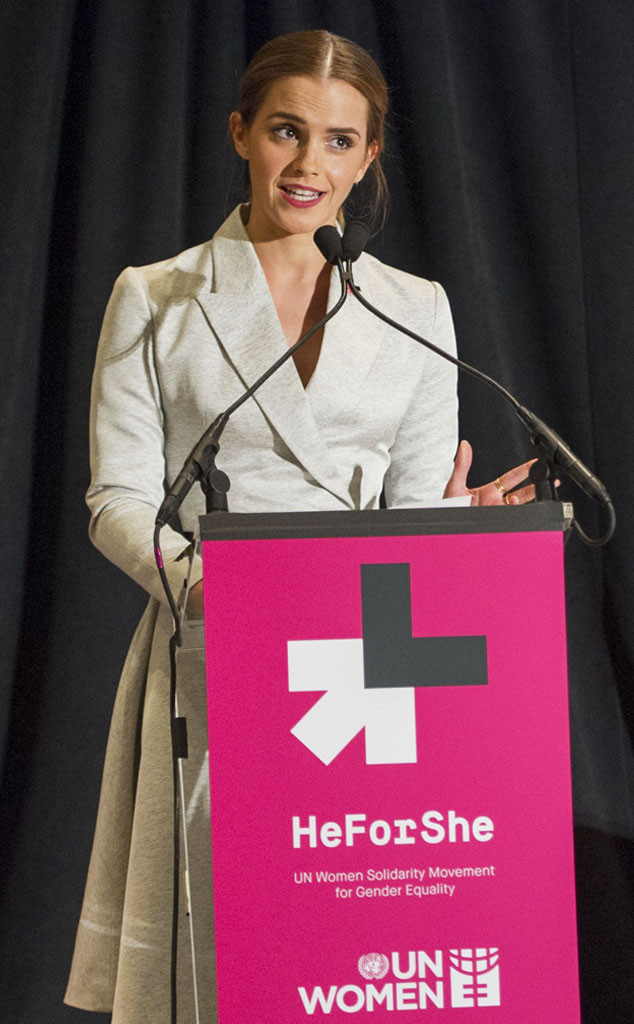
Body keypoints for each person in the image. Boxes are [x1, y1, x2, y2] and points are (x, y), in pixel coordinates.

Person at [65, 29, 535, 1023]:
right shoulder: (159, 295)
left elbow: (408, 508)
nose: (307, 163)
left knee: (347, 951)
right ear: (241, 133)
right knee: (223, 957)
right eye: (286, 131)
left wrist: (458, 527)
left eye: (337, 140)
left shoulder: (416, 308)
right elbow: (117, 499)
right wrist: (212, 587)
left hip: (368, 668)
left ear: (368, 157)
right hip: (216, 644)